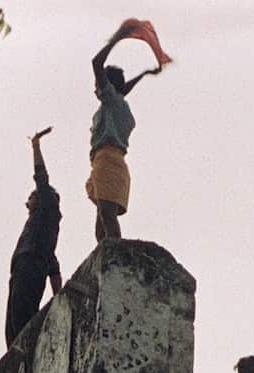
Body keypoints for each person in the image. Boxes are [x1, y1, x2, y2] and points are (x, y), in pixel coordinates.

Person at [86, 25, 163, 242]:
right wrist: (143, 75)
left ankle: (116, 252)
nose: (96, 88)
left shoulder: (111, 101)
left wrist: (117, 38)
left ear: (107, 85)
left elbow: (96, 63)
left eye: (99, 83)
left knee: (106, 215)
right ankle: (106, 251)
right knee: (101, 221)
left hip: (107, 161)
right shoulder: (118, 105)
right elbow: (123, 90)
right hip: (110, 162)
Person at [5, 128, 63, 348]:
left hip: (30, 267)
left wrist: (36, 146)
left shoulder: (46, 210)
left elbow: (41, 176)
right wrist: (58, 296)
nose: (27, 203)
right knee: (13, 327)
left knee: (22, 318)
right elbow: (53, 265)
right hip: (22, 268)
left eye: (31, 198)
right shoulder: (39, 228)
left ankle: (24, 352)